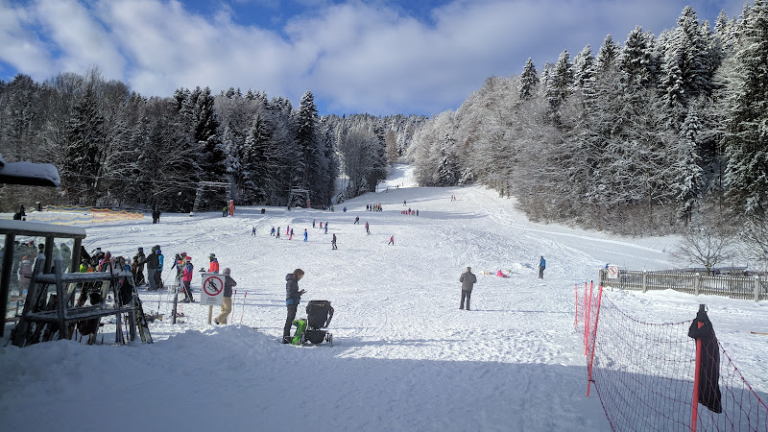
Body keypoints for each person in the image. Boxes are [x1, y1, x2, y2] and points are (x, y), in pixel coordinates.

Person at [283, 269, 306, 344]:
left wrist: (299, 293)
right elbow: (291, 293)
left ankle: (287, 337)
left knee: (291, 319)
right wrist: (299, 293)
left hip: (293, 302)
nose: (301, 277)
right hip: (291, 302)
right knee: (290, 319)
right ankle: (285, 337)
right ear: (297, 274)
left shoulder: (294, 281)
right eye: (300, 276)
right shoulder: (291, 281)